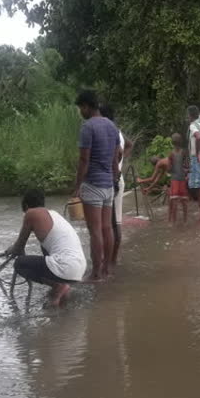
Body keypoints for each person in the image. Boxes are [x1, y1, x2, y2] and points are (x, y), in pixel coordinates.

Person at [7, 189, 86, 307]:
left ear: (26, 205)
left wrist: (9, 251)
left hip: (66, 267)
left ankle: (58, 286)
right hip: (79, 268)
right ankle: (61, 286)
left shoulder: (31, 213)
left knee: (19, 263)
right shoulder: (54, 214)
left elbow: (18, 247)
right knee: (43, 247)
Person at [73, 90, 121, 281]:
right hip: (108, 183)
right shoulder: (112, 126)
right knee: (107, 228)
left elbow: (84, 160)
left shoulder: (88, 127)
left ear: (86, 106)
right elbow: (115, 158)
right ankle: (107, 270)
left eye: (80, 108)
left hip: (92, 184)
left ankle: (95, 273)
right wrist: (115, 179)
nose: (80, 112)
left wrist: (77, 186)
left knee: (95, 231)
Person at [100, 104, 133, 270]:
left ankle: (108, 262)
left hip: (111, 179)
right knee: (115, 222)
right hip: (117, 178)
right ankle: (112, 260)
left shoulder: (108, 131)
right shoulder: (117, 131)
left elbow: (119, 151)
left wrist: (117, 164)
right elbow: (129, 145)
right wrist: (121, 163)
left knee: (109, 224)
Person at [168, 133, 188, 223]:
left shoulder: (171, 154)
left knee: (174, 201)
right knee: (184, 201)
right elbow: (186, 165)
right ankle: (185, 220)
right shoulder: (183, 152)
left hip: (175, 179)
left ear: (172, 142)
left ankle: (174, 222)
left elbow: (169, 168)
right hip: (182, 179)